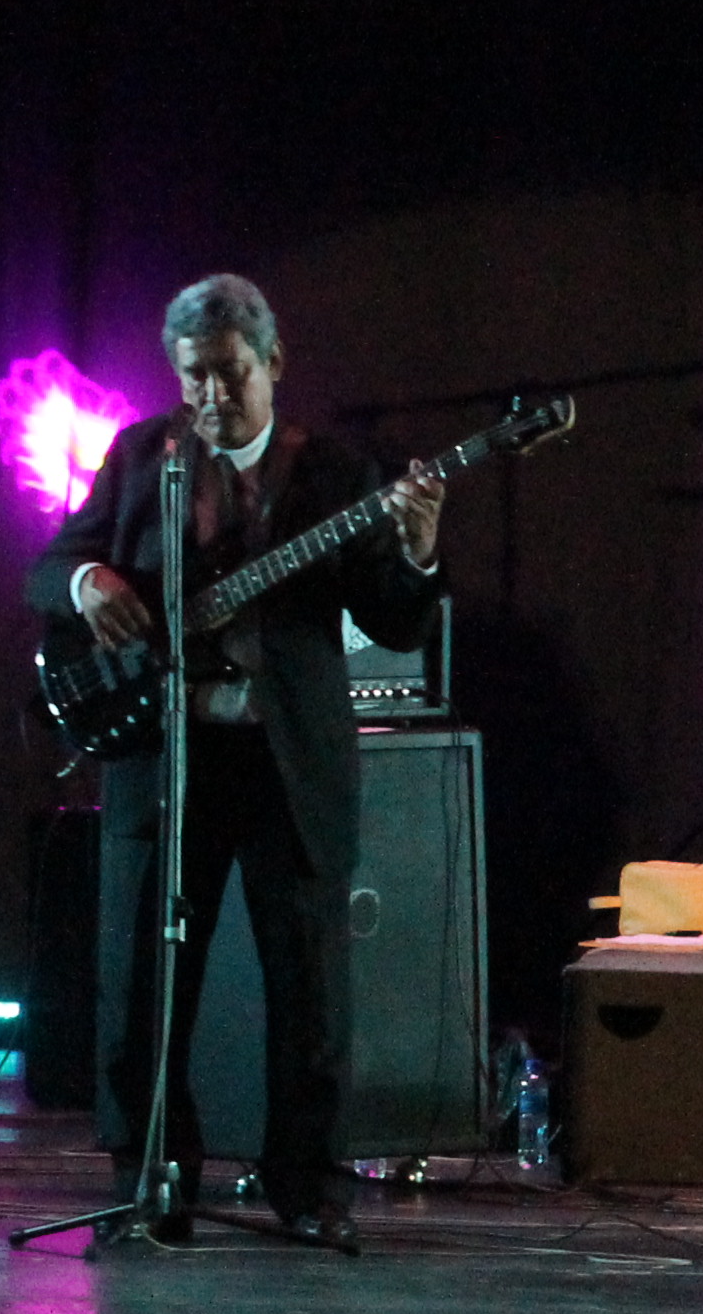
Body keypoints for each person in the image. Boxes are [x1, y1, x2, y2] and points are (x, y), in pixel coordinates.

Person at [27, 275, 446, 1251]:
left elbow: (395, 619)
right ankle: (151, 1181)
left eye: (230, 375)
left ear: (273, 363)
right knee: (141, 983)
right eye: (193, 378)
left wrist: (418, 551)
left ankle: (310, 1190)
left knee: (309, 989)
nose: (212, 397)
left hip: (285, 763)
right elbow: (48, 566)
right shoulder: (144, 457)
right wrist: (89, 581)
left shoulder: (333, 473)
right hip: (164, 754)